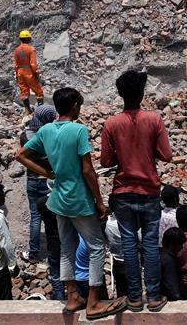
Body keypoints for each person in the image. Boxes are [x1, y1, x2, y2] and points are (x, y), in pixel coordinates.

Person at [17, 87, 124, 319]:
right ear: (75, 105)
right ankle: (94, 302)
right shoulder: (78, 130)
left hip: (58, 200)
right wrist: (99, 202)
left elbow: (21, 155)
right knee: (96, 247)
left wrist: (47, 173)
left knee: (67, 247)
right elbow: (88, 169)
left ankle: (72, 295)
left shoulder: (46, 130)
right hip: (78, 199)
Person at [100, 70, 172, 311]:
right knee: (150, 245)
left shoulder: (111, 123)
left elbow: (106, 162)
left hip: (122, 192)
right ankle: (153, 297)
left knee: (129, 246)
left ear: (120, 94)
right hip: (150, 190)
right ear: (141, 93)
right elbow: (167, 155)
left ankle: (133, 298)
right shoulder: (154, 119)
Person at [22, 105, 57, 260]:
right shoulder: (52, 134)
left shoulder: (25, 135)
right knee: (55, 216)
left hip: (32, 179)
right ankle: (55, 251)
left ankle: (34, 253)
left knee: (35, 217)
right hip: (50, 180)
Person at [37, 195, 65, 300]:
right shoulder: (67, 201)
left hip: (53, 244)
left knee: (56, 278)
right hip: (69, 243)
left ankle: (58, 302)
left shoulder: (41, 202)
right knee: (75, 275)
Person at [14, 30, 44, 114]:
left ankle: (27, 110)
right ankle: (41, 111)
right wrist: (36, 74)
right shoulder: (31, 49)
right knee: (39, 91)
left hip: (20, 72)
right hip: (29, 73)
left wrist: (17, 74)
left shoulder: (16, 50)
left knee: (24, 92)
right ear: (29, 39)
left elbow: (16, 64)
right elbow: (33, 64)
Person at [104, 214, 128, 298]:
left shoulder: (109, 223)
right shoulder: (128, 222)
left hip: (116, 259)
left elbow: (107, 241)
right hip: (130, 260)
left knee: (120, 289)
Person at [160, 227, 185, 301]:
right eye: (180, 244)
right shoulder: (169, 260)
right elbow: (172, 287)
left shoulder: (159, 254)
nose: (182, 248)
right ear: (172, 244)